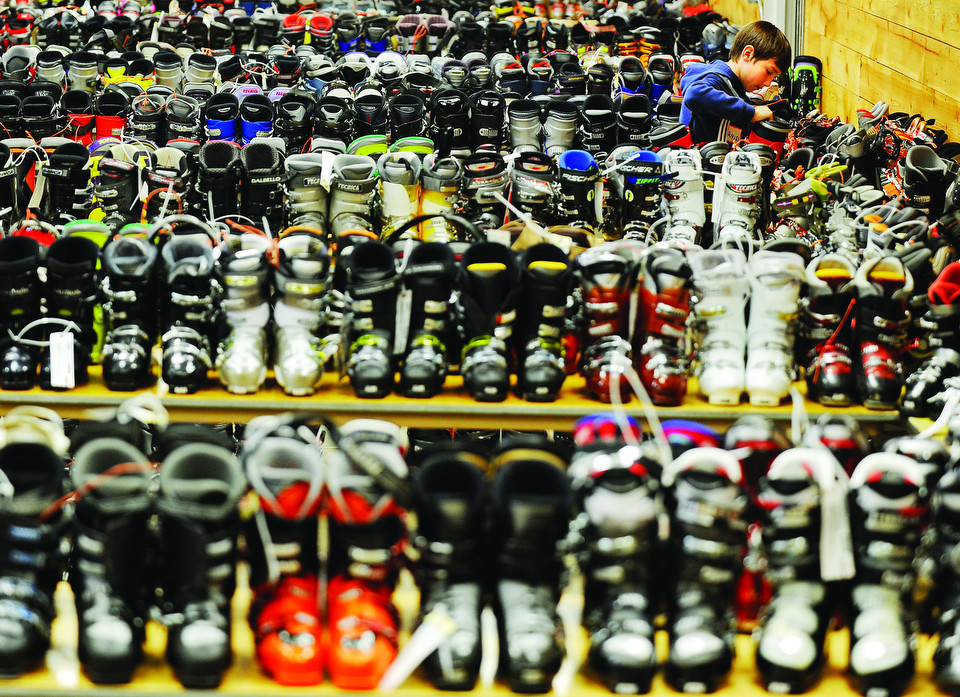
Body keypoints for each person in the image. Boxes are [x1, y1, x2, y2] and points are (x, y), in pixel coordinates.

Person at [679, 20, 791, 144]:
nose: (768, 83)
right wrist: (751, 113)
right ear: (748, 54)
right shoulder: (717, 80)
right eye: (769, 72)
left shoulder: (736, 90)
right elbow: (695, 94)